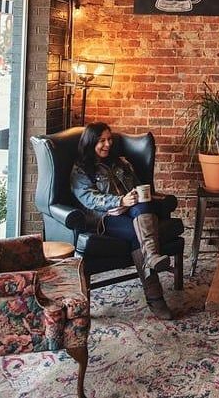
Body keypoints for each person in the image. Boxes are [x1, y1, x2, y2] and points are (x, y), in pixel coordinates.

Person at [71, 122, 175, 319]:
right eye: (101, 140)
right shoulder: (81, 169)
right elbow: (89, 199)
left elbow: (136, 186)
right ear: (90, 142)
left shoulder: (121, 163)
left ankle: (152, 256)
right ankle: (156, 298)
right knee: (139, 235)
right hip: (105, 217)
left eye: (109, 139)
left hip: (131, 211)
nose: (107, 144)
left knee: (144, 207)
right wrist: (120, 200)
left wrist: (137, 195)